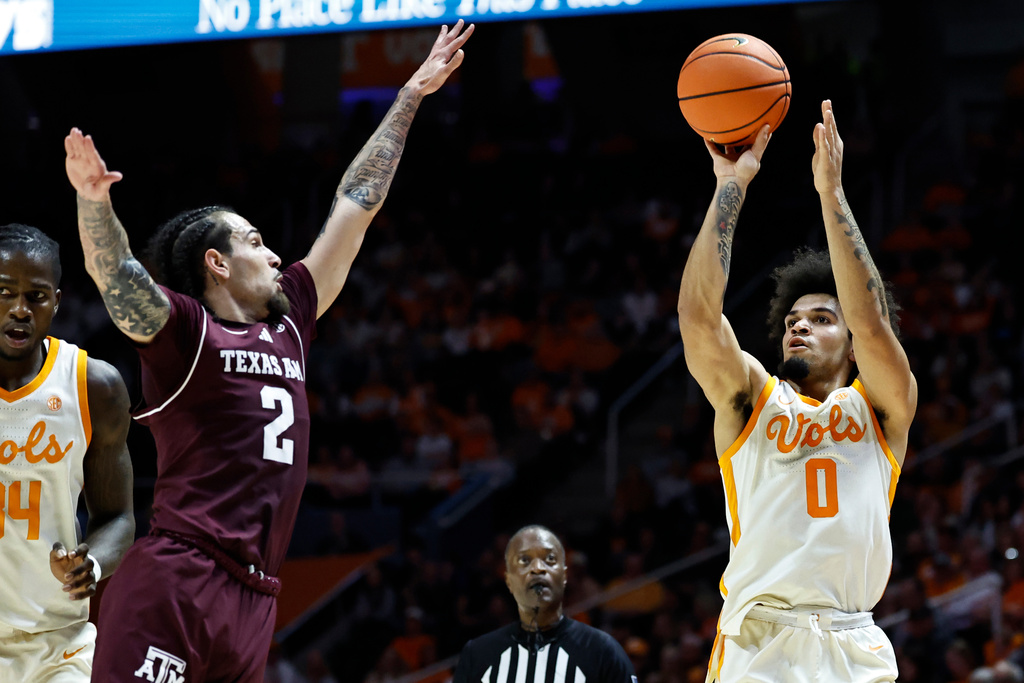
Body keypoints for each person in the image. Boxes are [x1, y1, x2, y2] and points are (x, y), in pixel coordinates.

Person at [62, 21, 473, 683]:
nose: (277, 253)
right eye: (256, 242)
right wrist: (93, 205)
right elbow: (118, 279)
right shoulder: (188, 334)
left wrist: (410, 96)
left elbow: (355, 205)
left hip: (255, 599)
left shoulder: (291, 322)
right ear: (217, 263)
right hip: (179, 579)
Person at [676, 101, 917, 682]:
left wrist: (832, 195)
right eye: (792, 320)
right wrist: (730, 186)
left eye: (821, 319)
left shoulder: (881, 408)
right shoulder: (752, 400)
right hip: (761, 643)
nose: (799, 325)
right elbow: (699, 318)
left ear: (852, 343)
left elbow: (872, 320)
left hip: (853, 641)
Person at [0, 223, 135, 681]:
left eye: (35, 296)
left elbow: (117, 517)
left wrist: (90, 565)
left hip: (56, 645)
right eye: (4, 292)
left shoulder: (93, 386)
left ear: (56, 301)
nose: (19, 309)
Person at [452, 525, 636, 683]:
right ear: (509, 581)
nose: (538, 569)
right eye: (524, 561)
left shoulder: (603, 651)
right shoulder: (477, 655)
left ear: (564, 576)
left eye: (549, 560)